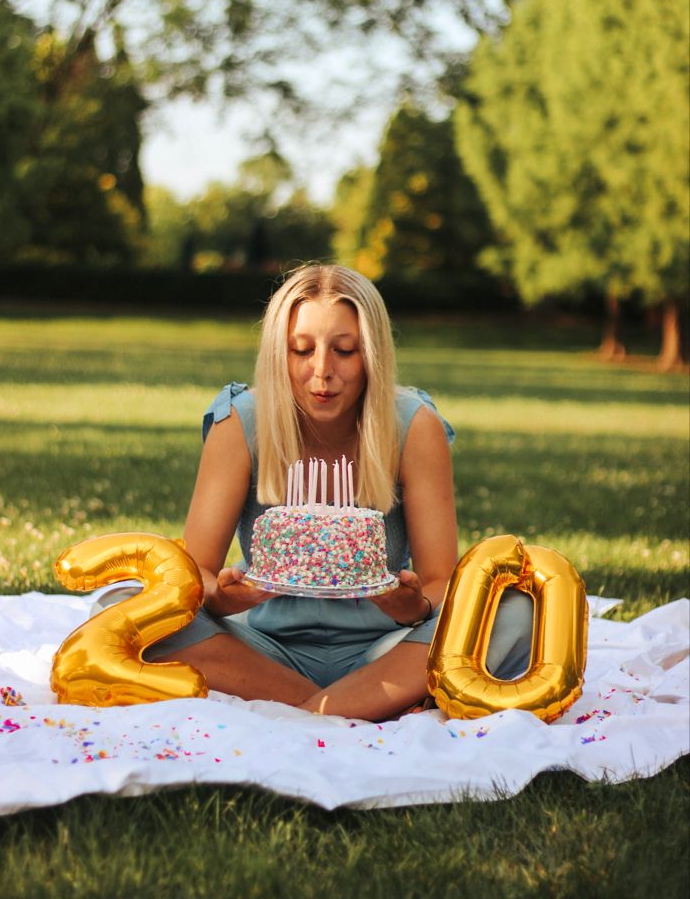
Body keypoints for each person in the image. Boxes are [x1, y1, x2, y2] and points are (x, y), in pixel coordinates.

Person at [148, 263, 532, 721]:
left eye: (345, 351)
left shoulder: (412, 425)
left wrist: (412, 605)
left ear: (373, 354)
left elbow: (439, 581)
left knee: (512, 612)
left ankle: (314, 709)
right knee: (140, 612)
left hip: (386, 646)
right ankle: (358, 705)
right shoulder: (240, 422)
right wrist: (226, 598)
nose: (322, 371)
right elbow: (196, 576)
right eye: (301, 350)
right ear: (277, 352)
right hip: (264, 647)